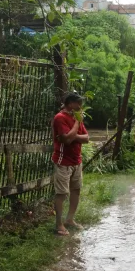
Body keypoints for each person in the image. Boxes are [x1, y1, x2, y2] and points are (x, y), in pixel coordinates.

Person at [51, 92, 89, 236]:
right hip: (63, 161)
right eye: (78, 103)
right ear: (70, 104)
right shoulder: (60, 118)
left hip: (76, 161)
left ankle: (69, 220)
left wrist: (73, 136)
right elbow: (66, 140)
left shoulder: (75, 117)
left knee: (76, 190)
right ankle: (59, 224)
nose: (80, 107)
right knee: (61, 193)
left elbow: (86, 138)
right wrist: (77, 123)